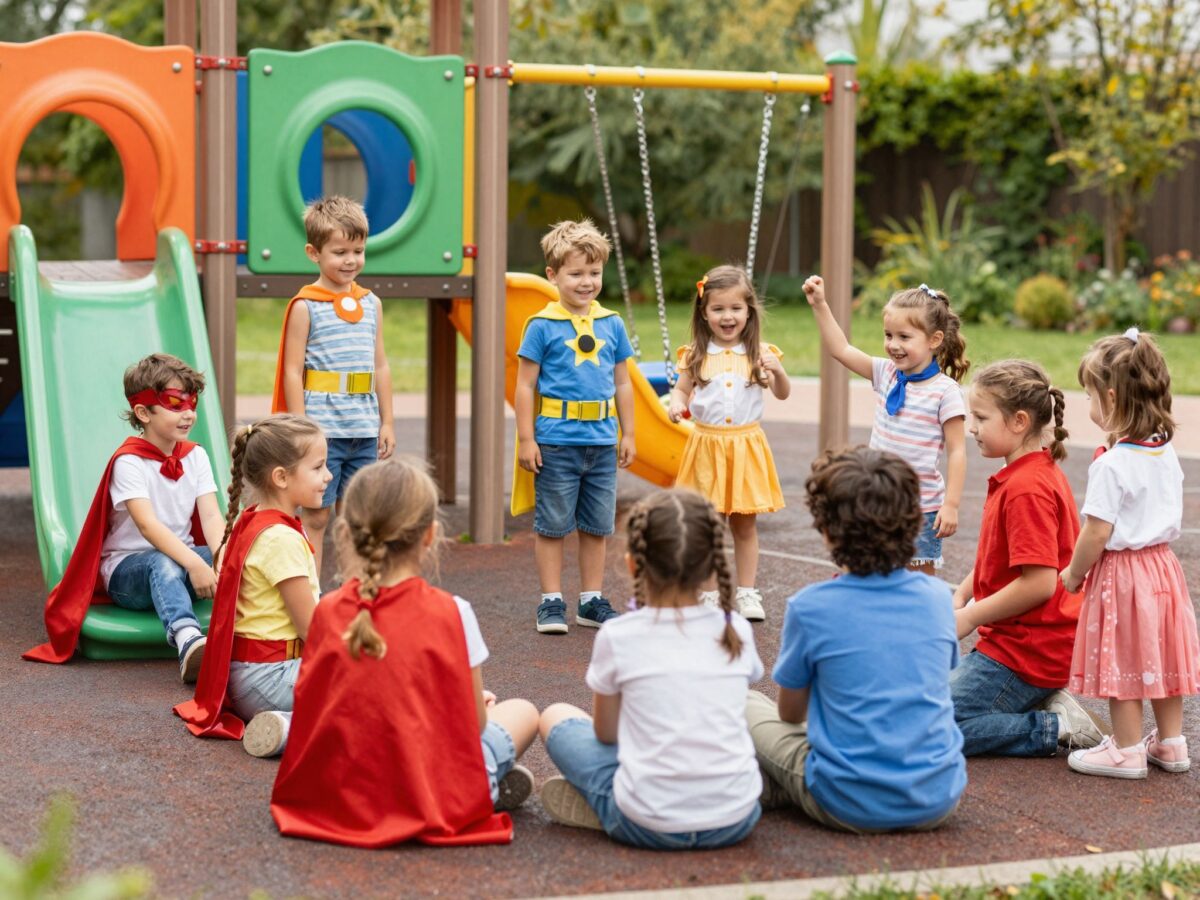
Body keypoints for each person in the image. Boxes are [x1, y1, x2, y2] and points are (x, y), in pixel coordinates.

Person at [270, 456, 539, 847]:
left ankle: (494, 776)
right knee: (524, 712)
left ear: (347, 533)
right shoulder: (453, 611)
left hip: (341, 792)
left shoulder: (328, 610)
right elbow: (474, 725)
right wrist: (466, 701)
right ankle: (494, 777)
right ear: (429, 536)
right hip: (429, 794)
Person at [746, 447, 966, 832]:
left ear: (828, 531)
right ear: (913, 522)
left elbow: (790, 715)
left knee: (745, 701)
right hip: (939, 797)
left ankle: (778, 786)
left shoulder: (811, 606)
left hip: (847, 803)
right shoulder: (937, 599)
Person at [538, 489, 764, 850]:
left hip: (646, 822)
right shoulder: (735, 628)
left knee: (555, 717)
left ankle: (605, 805)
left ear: (632, 564)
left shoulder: (619, 634)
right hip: (737, 818)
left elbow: (607, 734)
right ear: (711, 566)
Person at [23, 354, 224, 680]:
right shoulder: (129, 462)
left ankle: (260, 630)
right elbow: (148, 526)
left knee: (242, 554)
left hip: (183, 563)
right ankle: (188, 640)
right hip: (129, 575)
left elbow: (213, 517)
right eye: (175, 404)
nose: (188, 414)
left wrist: (219, 555)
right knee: (163, 561)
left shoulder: (196, 456)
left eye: (192, 403)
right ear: (143, 412)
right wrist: (196, 564)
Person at [952, 359, 1110, 756]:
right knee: (919, 708)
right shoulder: (1028, 471)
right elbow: (1006, 556)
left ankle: (1053, 726)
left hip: (1028, 651)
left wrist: (971, 615)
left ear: (1019, 421)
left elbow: (1039, 582)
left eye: (980, 417)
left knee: (928, 728)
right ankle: (1036, 701)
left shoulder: (1026, 488)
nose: (971, 427)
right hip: (1016, 642)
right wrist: (964, 590)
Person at [1060, 328, 1199, 778]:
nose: (1088, 404)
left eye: (1090, 395)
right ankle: (1172, 743)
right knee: (1158, 651)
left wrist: (1073, 574)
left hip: (1123, 572)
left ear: (1113, 399)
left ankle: (1125, 749)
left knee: (1124, 654)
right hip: (1163, 568)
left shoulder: (1111, 464)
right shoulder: (1165, 452)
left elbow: (1097, 532)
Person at [174, 414, 328, 757]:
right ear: (281, 477)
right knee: (378, 683)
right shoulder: (281, 539)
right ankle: (290, 727)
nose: (328, 476)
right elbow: (314, 631)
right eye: (318, 468)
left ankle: (286, 721)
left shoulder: (252, 518)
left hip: (247, 680)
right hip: (274, 678)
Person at [514, 219, 636, 634]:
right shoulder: (542, 325)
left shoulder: (612, 323)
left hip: (601, 441)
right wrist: (527, 438)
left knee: (597, 525)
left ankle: (590, 599)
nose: (587, 282)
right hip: (556, 442)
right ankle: (551, 600)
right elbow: (525, 385)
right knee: (552, 524)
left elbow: (623, 381)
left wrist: (630, 433)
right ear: (553, 275)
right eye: (576, 273)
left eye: (595, 273)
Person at [803, 276, 968, 574]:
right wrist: (820, 305)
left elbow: (957, 451)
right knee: (866, 568)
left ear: (935, 340)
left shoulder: (945, 391)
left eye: (904, 337)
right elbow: (840, 349)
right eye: (888, 335)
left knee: (918, 577)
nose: (893, 345)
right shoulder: (886, 373)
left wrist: (951, 504)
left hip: (921, 505)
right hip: (876, 496)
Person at [271, 195, 395, 580]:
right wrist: (302, 428)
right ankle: (310, 592)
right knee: (318, 515)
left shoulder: (371, 303)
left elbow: (380, 365)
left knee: (360, 518)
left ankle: (358, 590)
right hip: (324, 433)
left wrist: (386, 421)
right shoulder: (306, 305)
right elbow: (293, 371)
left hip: (363, 429)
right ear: (314, 252)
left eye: (358, 251)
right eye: (339, 251)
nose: (350, 260)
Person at [666, 265, 790, 621]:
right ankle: (707, 594)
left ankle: (747, 592)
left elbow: (782, 394)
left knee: (745, 524)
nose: (727, 316)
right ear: (704, 313)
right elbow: (682, 389)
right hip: (708, 446)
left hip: (745, 446)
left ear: (748, 310)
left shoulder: (761, 353)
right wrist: (677, 403)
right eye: (718, 308)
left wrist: (777, 372)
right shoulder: (695, 354)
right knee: (710, 523)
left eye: (735, 308)